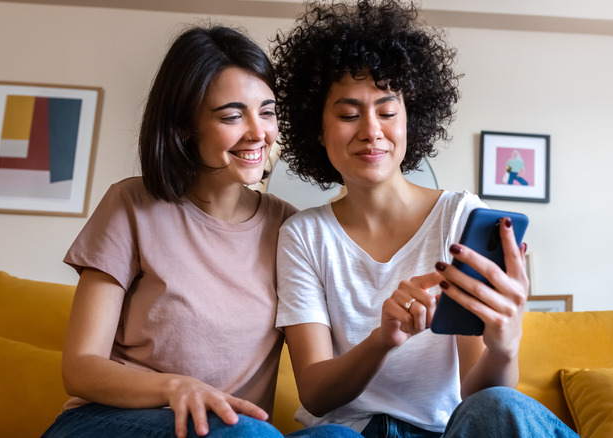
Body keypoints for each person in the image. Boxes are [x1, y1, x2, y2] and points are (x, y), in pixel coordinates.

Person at [272, 1, 578, 437]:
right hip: (348, 431)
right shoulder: (303, 235)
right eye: (348, 114)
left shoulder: (459, 216)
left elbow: (482, 402)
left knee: (502, 405)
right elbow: (315, 394)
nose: (371, 131)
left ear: (409, 120)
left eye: (387, 111)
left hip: (447, 431)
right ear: (317, 130)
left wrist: (504, 347)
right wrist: (383, 339)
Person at [43, 24, 360, 438]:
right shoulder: (131, 203)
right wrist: (175, 387)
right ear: (185, 126)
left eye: (267, 112)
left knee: (338, 437)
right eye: (232, 116)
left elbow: (319, 375)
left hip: (230, 431)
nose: (258, 133)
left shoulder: (291, 229)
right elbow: (80, 368)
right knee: (248, 434)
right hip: (106, 422)